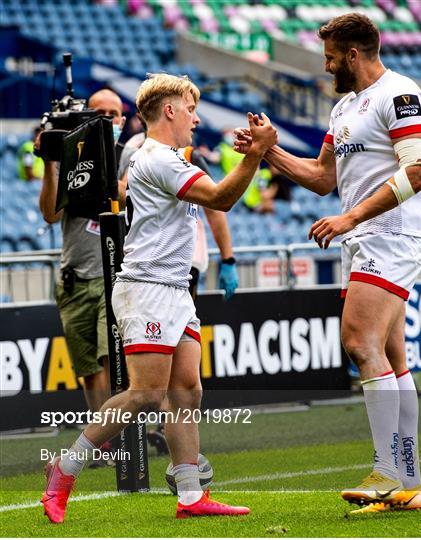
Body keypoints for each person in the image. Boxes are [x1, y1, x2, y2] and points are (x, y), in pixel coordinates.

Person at [41, 73, 277, 523]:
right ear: (169, 110)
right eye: (190, 108)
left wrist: (254, 154)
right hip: (147, 289)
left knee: (187, 390)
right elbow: (222, 199)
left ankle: (190, 496)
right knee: (147, 395)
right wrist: (257, 154)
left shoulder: (169, 158)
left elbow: (214, 202)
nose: (196, 117)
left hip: (173, 289)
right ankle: (64, 467)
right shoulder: (158, 159)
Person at [235, 13, 421, 513]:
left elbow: (419, 171)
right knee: (390, 356)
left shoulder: (400, 95)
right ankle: (409, 483)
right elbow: (323, 177)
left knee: (359, 342)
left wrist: (350, 218)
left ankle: (389, 472)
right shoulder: (343, 107)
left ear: (353, 54)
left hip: (390, 235)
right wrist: (269, 151)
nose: (325, 67)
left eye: (329, 57)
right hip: (365, 238)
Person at [38, 89, 126, 415]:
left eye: (112, 115)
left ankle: (121, 434)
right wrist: (50, 162)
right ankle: (102, 437)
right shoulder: (69, 156)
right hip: (74, 277)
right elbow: (50, 213)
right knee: (89, 368)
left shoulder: (128, 153)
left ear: (122, 120)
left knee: (112, 356)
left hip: (112, 273)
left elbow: (124, 193)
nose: (106, 120)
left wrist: (95, 156)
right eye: (98, 114)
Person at [119, 131, 239, 300]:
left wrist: (228, 260)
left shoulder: (189, 154)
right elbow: (126, 196)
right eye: (189, 111)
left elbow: (215, 207)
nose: (196, 120)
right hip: (143, 261)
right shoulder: (133, 148)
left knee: (181, 323)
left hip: (185, 261)